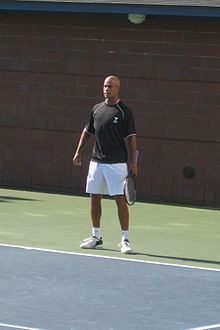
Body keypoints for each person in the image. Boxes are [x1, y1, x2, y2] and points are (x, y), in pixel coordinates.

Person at [73, 75, 137, 254]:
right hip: (96, 163)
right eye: (105, 86)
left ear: (118, 89)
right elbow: (87, 132)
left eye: (110, 86)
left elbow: (131, 138)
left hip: (116, 164)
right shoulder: (96, 109)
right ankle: (96, 237)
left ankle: (125, 240)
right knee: (94, 197)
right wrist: (78, 151)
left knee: (120, 200)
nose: (106, 89)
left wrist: (133, 162)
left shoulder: (124, 112)